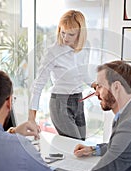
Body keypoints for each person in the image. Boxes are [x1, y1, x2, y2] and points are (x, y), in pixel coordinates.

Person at [29, 10, 93, 140]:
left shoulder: (86, 47)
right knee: (74, 144)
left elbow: (83, 73)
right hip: (60, 102)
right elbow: (38, 84)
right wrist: (31, 118)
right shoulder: (53, 51)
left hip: (79, 101)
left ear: (80, 34)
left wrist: (95, 84)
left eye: (71, 34)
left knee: (82, 145)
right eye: (63, 32)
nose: (65, 38)